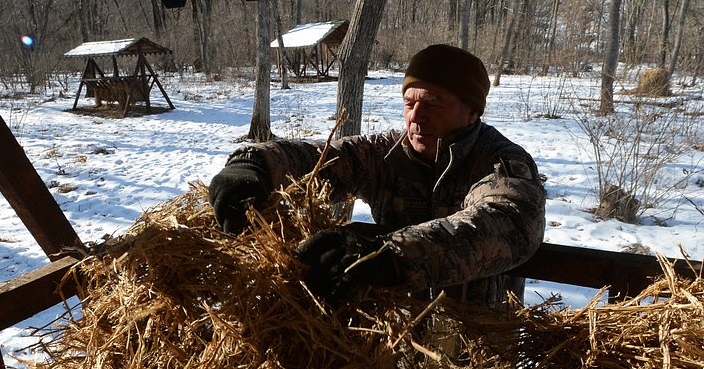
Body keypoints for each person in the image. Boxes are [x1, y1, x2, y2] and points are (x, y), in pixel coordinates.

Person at [207, 44, 546, 309]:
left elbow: (509, 222)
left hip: (479, 347)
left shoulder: (501, 162)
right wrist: (256, 165)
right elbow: (322, 160)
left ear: (472, 111)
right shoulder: (385, 154)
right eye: (409, 102)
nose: (417, 117)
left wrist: (388, 257)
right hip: (395, 343)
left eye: (433, 103)